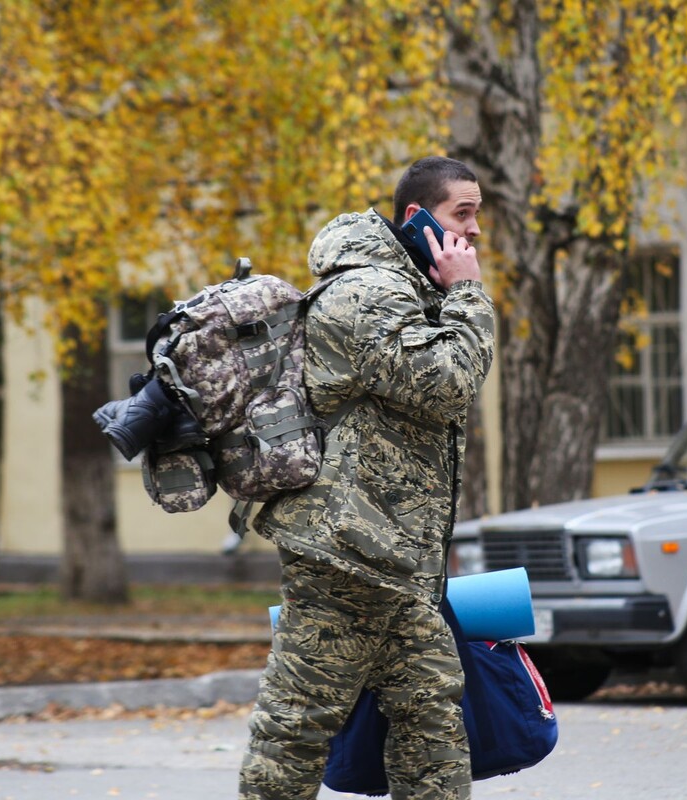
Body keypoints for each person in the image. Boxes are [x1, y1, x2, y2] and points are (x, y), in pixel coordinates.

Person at [238, 156, 496, 800]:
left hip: (392, 552)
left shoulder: (402, 289)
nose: (474, 232)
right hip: (344, 552)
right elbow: (448, 383)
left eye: (478, 216)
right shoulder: (366, 292)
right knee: (296, 727)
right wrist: (467, 293)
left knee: (432, 718)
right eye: (461, 215)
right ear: (417, 220)